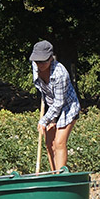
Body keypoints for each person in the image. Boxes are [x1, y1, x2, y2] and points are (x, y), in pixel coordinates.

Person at [30, 39, 80, 171]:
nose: (40, 64)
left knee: (59, 143)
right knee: (49, 144)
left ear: (51, 58)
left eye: (43, 61)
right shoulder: (35, 66)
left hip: (67, 107)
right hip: (51, 105)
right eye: (37, 61)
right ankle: (54, 175)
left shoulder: (60, 74)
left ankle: (61, 178)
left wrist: (44, 120)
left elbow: (59, 103)